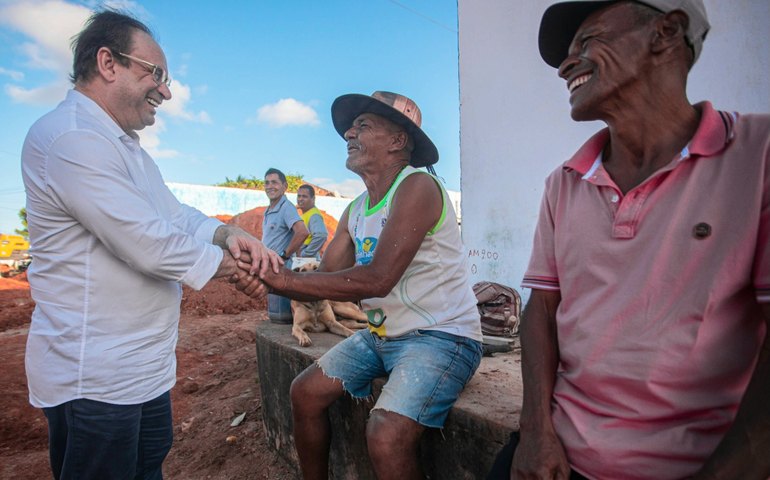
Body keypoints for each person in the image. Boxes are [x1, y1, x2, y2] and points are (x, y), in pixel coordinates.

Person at [487, 1, 770, 479]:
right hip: (563, 452)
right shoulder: (566, 181)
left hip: (693, 464)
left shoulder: (756, 155)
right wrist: (535, 431)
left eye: (588, 41)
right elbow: (542, 309)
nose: (564, 66)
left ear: (666, 32)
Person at [21, 10, 277, 479]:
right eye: (155, 74)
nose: (166, 91)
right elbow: (146, 242)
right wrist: (236, 270)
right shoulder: (71, 138)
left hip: (142, 371)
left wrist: (228, 234)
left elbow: (175, 215)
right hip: (96, 381)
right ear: (107, 63)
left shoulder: (126, 149)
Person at [238, 91, 483, 479]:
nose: (349, 133)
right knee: (304, 394)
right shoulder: (355, 209)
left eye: (363, 125)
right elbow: (323, 282)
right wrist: (263, 276)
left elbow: (378, 279)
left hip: (443, 336)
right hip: (382, 337)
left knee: (385, 434)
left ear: (398, 141)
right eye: (351, 127)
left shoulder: (418, 187)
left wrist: (281, 278)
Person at [262, 167, 309, 265]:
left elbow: (302, 232)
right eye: (267, 183)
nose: (270, 186)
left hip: (279, 269)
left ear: (285, 186)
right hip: (269, 266)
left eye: (274, 182)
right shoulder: (269, 210)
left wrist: (284, 256)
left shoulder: (286, 207)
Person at [296, 184, 329, 258]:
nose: (300, 199)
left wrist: (305, 254)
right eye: (299, 196)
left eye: (304, 196)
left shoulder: (314, 215)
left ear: (313, 199)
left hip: (308, 262)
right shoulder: (307, 213)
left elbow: (321, 235)